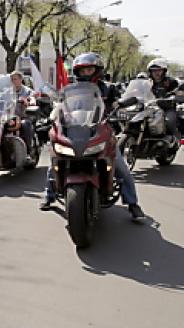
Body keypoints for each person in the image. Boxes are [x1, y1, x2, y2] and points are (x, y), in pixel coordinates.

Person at [39, 52, 145, 220]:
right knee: (55, 161)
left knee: (120, 166)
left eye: (89, 69)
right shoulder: (71, 89)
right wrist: (52, 115)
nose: (86, 73)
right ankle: (49, 195)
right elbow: (61, 105)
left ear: (97, 70)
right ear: (77, 72)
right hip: (76, 130)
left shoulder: (109, 88)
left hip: (101, 130)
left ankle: (133, 204)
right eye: (82, 70)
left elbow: (119, 102)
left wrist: (120, 107)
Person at [147, 58, 180, 140]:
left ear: (164, 71)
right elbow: (138, 92)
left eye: (159, 70)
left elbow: (177, 92)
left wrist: (173, 95)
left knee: (169, 121)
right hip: (150, 109)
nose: (156, 72)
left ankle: (177, 141)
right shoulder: (147, 82)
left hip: (167, 109)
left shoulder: (171, 82)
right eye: (153, 70)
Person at [10, 71, 35, 161]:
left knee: (25, 125)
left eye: (15, 79)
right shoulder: (8, 92)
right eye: (12, 79)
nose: (13, 81)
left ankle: (28, 152)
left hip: (24, 116)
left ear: (21, 79)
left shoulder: (27, 91)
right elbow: (0, 100)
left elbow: (32, 99)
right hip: (10, 118)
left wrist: (28, 102)